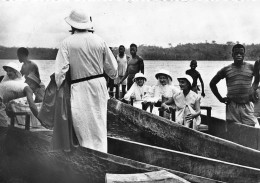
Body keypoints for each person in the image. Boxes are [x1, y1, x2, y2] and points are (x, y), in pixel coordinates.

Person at [55, 9, 118, 153]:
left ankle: (89, 159)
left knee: (82, 124)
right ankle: (102, 154)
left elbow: (60, 73)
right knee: (99, 123)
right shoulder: (99, 40)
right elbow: (113, 70)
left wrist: (59, 86)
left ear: (72, 25)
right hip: (99, 85)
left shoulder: (67, 43)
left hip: (79, 86)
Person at [210, 44, 260, 127]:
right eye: (236, 53)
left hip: (247, 105)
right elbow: (212, 83)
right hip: (232, 106)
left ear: (244, 54)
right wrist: (220, 99)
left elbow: (257, 80)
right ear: (232, 55)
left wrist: (253, 89)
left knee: (250, 131)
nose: (239, 55)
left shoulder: (251, 67)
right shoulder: (226, 69)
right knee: (233, 130)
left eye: (241, 53)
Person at [0, 62, 39, 127]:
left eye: (10, 71)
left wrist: (39, 117)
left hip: (10, 108)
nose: (8, 73)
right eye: (7, 71)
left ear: (16, 72)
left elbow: (31, 101)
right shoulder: (5, 84)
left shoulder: (22, 85)